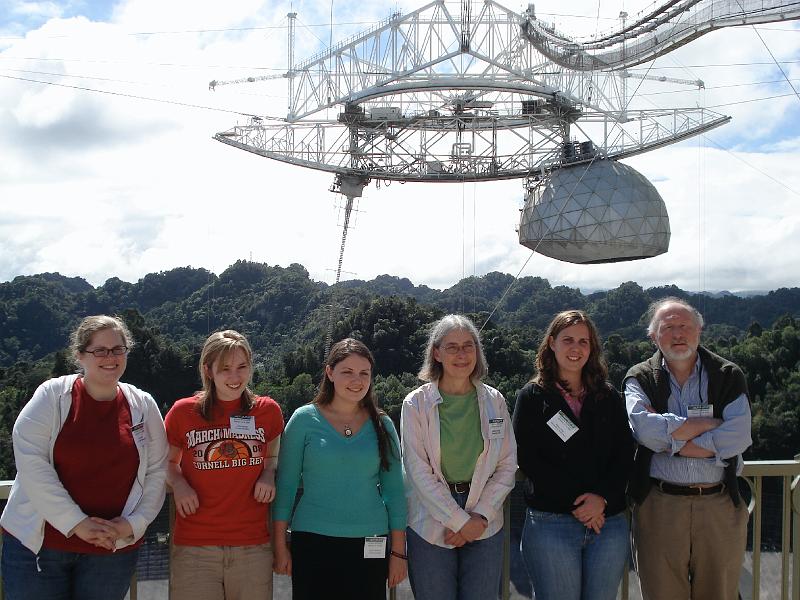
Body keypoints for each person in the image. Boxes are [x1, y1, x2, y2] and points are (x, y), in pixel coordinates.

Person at [0, 315, 168, 600]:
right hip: (40, 547)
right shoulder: (52, 396)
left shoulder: (142, 405)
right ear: (80, 355)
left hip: (111, 549)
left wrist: (133, 524)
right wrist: (77, 523)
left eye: (117, 349)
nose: (110, 357)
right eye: (99, 350)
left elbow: (157, 471)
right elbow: (32, 463)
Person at [625, 297, 752, 600]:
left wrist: (671, 442)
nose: (678, 334)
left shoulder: (728, 375)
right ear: (653, 336)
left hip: (718, 503)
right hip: (659, 505)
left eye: (685, 326)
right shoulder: (639, 376)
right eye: (668, 327)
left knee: (719, 592)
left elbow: (738, 436)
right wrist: (709, 425)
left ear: (699, 331)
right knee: (661, 593)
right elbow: (644, 430)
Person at [272, 338, 407, 599]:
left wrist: (399, 552)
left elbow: (394, 491)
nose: (357, 380)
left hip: (372, 540)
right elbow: (286, 488)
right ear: (330, 372)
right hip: (312, 540)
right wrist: (280, 546)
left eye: (364, 373)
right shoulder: (303, 420)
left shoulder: (383, 425)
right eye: (347, 372)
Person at [512, 310, 633, 600]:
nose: (576, 348)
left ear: (592, 348)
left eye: (584, 341)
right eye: (568, 340)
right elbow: (528, 458)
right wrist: (581, 505)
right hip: (551, 524)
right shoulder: (532, 397)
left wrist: (600, 499)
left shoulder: (608, 396)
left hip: (607, 524)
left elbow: (625, 453)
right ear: (552, 343)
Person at [401, 314, 516, 600]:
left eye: (468, 346)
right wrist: (461, 522)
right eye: (452, 347)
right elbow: (417, 470)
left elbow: (506, 465)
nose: (461, 354)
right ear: (436, 353)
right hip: (431, 520)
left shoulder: (495, 400)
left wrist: (479, 517)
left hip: (485, 520)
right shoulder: (415, 404)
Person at [165, 330, 284, 600]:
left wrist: (268, 473)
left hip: (252, 546)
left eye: (242, 367)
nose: (235, 377)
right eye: (225, 368)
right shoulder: (183, 412)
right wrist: (179, 484)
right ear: (208, 370)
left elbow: (273, 457)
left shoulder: (268, 411)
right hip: (195, 547)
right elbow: (166, 463)